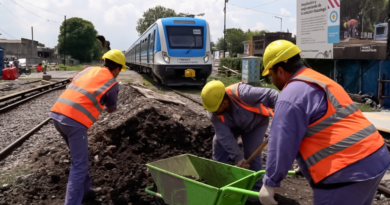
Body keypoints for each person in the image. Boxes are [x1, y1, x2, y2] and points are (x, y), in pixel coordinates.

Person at [258, 40, 390, 205]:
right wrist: (306, 163)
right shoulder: (319, 80)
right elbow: (328, 126)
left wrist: (270, 183)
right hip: (375, 156)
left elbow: (282, 142)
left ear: (279, 70)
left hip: (345, 171)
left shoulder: (290, 95)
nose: (272, 80)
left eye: (270, 75)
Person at [50, 49, 126, 205]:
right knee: (79, 166)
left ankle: (86, 191)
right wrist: (105, 106)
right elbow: (111, 108)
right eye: (120, 70)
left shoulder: (87, 70)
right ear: (117, 68)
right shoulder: (112, 83)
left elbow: (76, 87)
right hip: (74, 122)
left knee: (80, 159)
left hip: (57, 115)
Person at [201, 80, 279, 191]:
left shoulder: (243, 93)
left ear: (224, 103)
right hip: (234, 126)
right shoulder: (213, 112)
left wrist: (281, 117)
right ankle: (218, 181)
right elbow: (225, 136)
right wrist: (238, 158)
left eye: (215, 109)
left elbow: (273, 94)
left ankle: (255, 190)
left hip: (256, 124)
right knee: (218, 143)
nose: (213, 112)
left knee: (252, 154)